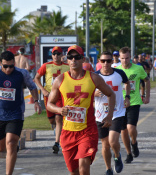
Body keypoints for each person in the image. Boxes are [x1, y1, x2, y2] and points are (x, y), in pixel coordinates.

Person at [47, 45, 116, 175]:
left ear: (82, 59)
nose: (73, 60)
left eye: (77, 57)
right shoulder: (60, 80)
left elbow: (111, 94)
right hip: (67, 133)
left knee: (84, 169)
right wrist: (59, 109)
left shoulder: (93, 78)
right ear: (66, 60)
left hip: (87, 131)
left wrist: (109, 115)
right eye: (70, 57)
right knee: (74, 171)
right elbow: (50, 104)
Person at [0, 51, 42, 175]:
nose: (9, 69)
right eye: (5, 66)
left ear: (14, 64)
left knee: (11, 142)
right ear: (0, 64)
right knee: (0, 148)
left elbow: (32, 87)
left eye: (11, 66)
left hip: (16, 113)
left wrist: (36, 101)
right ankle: (13, 148)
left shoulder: (22, 73)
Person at [95, 51, 130, 175]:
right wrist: (94, 93)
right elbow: (87, 92)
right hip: (100, 115)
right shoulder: (95, 76)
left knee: (113, 141)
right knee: (105, 145)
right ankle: (108, 169)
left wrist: (127, 97)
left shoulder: (119, 73)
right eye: (103, 61)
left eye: (108, 61)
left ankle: (117, 155)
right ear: (99, 61)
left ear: (112, 61)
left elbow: (127, 83)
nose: (105, 63)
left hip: (117, 112)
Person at [117, 47, 150, 164]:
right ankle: (129, 153)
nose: (125, 61)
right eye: (122, 58)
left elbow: (147, 80)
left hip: (134, 101)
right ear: (119, 58)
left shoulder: (138, 68)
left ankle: (134, 143)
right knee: (123, 131)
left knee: (131, 128)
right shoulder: (116, 70)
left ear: (130, 57)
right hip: (120, 103)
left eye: (127, 58)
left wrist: (146, 96)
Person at [34, 46, 69, 154]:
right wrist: (43, 90)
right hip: (48, 96)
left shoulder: (67, 67)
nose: (56, 56)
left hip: (61, 96)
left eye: (58, 54)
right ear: (52, 55)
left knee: (59, 118)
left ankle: (56, 143)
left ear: (62, 55)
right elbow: (36, 78)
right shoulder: (46, 66)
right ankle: (58, 131)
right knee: (52, 120)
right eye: (54, 54)